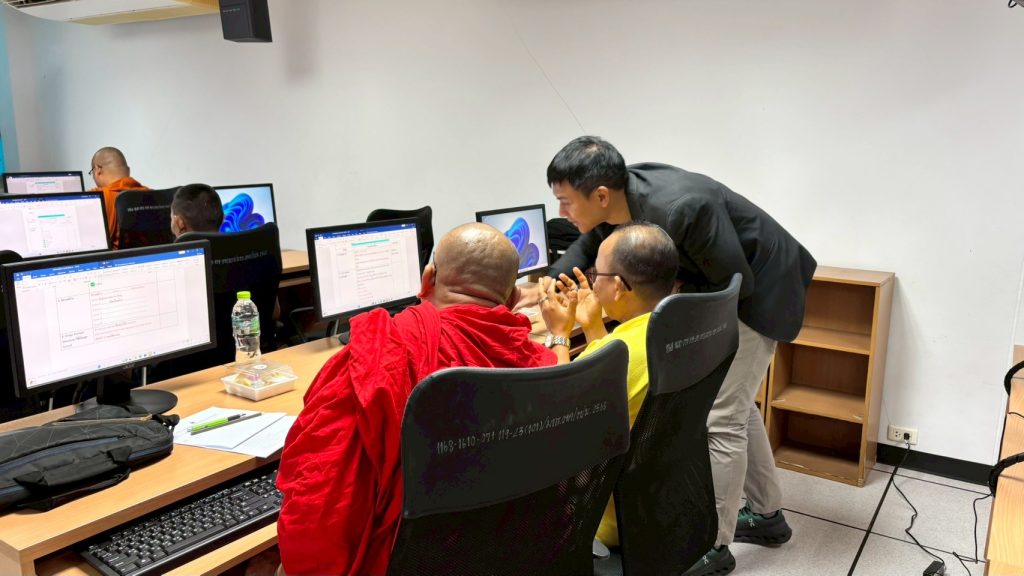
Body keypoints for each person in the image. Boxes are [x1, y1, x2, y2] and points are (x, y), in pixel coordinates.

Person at [533, 136, 817, 576]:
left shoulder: (682, 207)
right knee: (738, 405)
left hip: (757, 292)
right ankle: (767, 516)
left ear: (601, 195)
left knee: (722, 418)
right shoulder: (618, 200)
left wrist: (670, 303)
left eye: (565, 202)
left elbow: (734, 283)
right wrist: (553, 280)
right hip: (728, 281)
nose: (561, 212)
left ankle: (713, 546)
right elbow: (591, 242)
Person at [275, 223, 558, 576]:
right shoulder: (539, 368)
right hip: (504, 552)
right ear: (513, 298)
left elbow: (318, 508)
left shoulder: (378, 353)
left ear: (427, 279)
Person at [539, 221, 678, 547]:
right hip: (654, 506)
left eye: (596, 274)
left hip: (598, 518)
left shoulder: (618, 353)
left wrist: (559, 334)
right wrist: (591, 327)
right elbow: (613, 378)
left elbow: (556, 414)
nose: (591, 282)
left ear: (617, 286)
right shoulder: (671, 330)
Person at [88, 146, 148, 248]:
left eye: (91, 173)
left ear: (97, 170)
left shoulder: (96, 198)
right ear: (128, 170)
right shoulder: (151, 194)